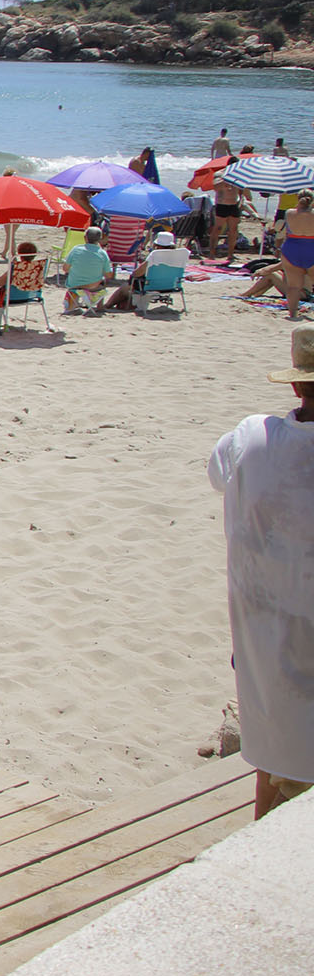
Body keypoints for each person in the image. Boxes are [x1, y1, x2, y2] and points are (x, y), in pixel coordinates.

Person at [207, 328, 314, 820]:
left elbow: (216, 473)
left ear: (297, 386)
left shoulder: (249, 437)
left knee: (273, 756)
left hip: (261, 640)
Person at [97, 231, 188, 312]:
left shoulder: (156, 255)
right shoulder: (180, 256)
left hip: (151, 286)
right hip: (171, 286)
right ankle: (124, 305)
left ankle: (107, 305)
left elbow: (137, 273)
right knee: (123, 304)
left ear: (157, 245)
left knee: (125, 287)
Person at [276, 191, 314, 321]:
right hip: (311, 247)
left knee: (293, 286)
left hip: (292, 248)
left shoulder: (289, 213)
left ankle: (293, 315)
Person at [59, 227, 115, 314]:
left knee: (75, 278)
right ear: (100, 239)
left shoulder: (76, 249)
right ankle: (99, 307)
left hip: (74, 285)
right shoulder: (102, 253)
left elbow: (65, 268)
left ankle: (75, 302)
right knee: (103, 281)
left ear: (85, 238)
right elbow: (109, 275)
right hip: (93, 286)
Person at [212, 178, 246, 259]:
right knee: (217, 229)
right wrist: (225, 182)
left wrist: (241, 200)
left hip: (234, 204)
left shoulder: (238, 175)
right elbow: (215, 188)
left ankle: (230, 254)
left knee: (233, 230)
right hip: (222, 204)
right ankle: (212, 253)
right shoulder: (220, 175)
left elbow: (241, 189)